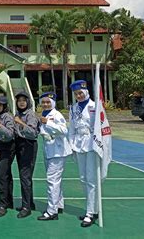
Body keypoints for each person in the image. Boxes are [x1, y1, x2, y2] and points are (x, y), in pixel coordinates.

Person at [37, 92, 72, 221]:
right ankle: (59, 205)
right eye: (43, 102)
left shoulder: (56, 115)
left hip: (57, 152)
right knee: (56, 181)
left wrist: (48, 123)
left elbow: (64, 130)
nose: (45, 104)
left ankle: (52, 211)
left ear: (53, 102)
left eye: (48, 102)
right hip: (48, 150)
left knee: (52, 181)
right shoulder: (44, 114)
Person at [68, 80, 98, 228]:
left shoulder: (95, 106)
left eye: (80, 93)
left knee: (91, 179)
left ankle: (91, 213)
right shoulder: (73, 108)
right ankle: (91, 208)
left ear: (86, 92)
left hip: (92, 145)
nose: (78, 96)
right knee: (82, 178)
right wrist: (71, 145)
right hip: (78, 144)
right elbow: (71, 128)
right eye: (76, 94)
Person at [13, 91, 39, 218]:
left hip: (28, 145)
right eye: (19, 100)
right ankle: (30, 203)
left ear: (28, 102)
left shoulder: (30, 115)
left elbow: (33, 132)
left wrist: (20, 122)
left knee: (25, 176)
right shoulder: (18, 113)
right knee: (25, 176)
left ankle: (26, 207)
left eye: (24, 100)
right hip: (20, 145)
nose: (21, 102)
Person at [0, 96, 15, 217]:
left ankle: (3, 205)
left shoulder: (7, 117)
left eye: (0, 105)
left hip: (8, 147)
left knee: (2, 175)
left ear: (4, 106)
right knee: (7, 175)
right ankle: (9, 201)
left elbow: (10, 134)